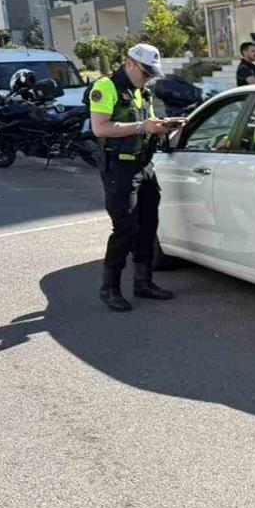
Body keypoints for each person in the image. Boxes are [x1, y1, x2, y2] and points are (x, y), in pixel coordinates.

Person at [88, 43, 176, 312]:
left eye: (151, 74)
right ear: (129, 64)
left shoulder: (143, 91)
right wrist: (141, 126)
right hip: (120, 170)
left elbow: (145, 125)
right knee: (125, 229)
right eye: (145, 72)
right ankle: (110, 288)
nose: (147, 77)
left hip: (144, 166)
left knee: (149, 225)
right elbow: (100, 128)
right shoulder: (106, 87)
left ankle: (143, 282)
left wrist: (160, 129)